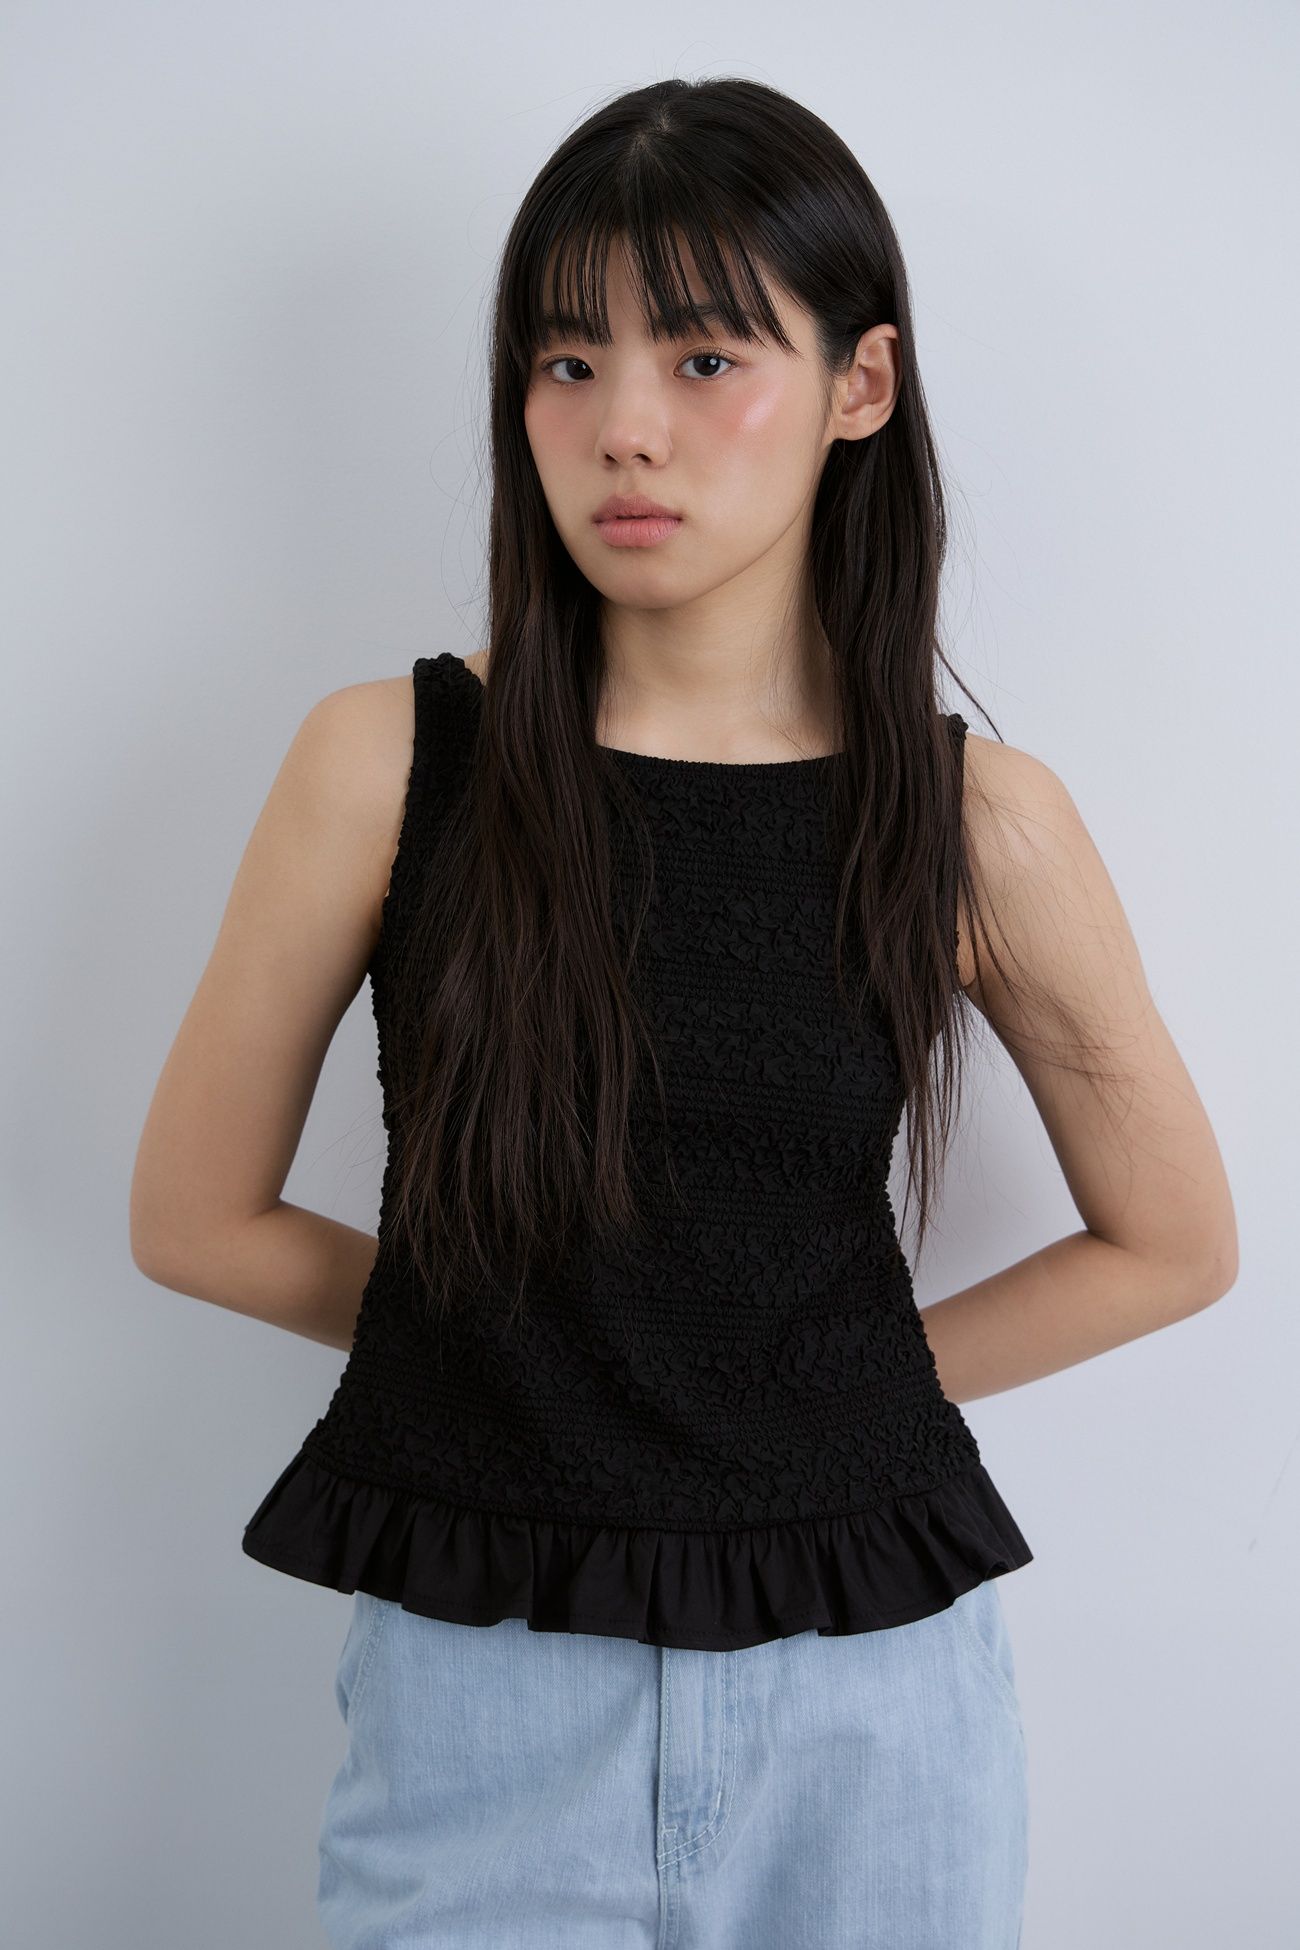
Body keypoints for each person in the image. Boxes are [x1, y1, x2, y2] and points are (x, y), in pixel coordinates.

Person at [129, 75, 1238, 1950]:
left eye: (706, 357)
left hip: (873, 1691)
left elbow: (1174, 1242)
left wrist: (790, 1392)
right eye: (568, 363)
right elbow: (193, 1217)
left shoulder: (977, 819)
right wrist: (520, 1360)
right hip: (484, 1683)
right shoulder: (386, 762)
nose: (623, 428)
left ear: (860, 385)